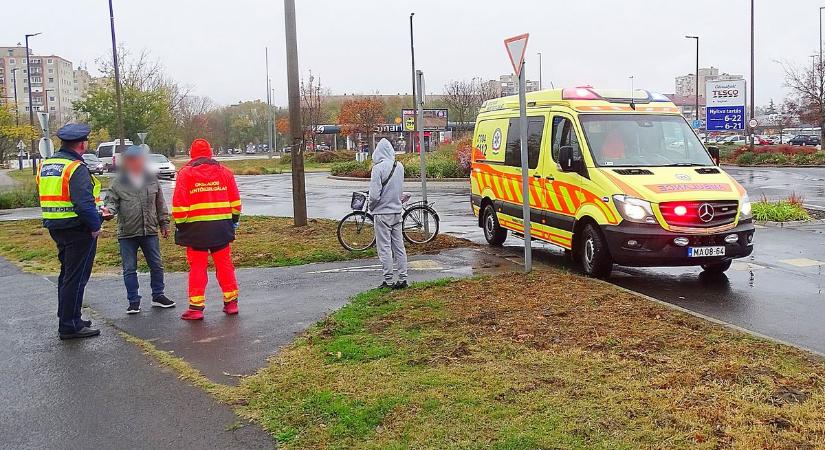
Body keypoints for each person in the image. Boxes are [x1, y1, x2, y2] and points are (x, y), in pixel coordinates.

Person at [37, 123, 103, 340]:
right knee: (76, 277)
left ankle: (70, 316)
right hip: (77, 229)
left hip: (56, 226)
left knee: (66, 275)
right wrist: (95, 225)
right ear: (82, 144)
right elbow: (83, 203)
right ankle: (70, 325)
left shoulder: (47, 164)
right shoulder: (75, 167)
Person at [172, 139, 242, 320]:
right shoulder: (225, 173)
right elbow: (235, 202)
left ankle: (196, 308)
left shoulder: (185, 174)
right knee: (225, 265)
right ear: (210, 152)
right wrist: (233, 221)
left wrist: (181, 225)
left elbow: (179, 206)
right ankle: (231, 303)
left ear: (191, 153)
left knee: (197, 267)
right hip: (221, 228)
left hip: (196, 230)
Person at [104, 146, 175, 314]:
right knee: (129, 269)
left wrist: (164, 223)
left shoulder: (152, 179)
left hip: (149, 230)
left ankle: (158, 295)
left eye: (140, 160)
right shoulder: (118, 183)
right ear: (127, 162)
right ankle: (133, 301)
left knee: (156, 265)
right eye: (132, 160)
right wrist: (107, 212)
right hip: (127, 233)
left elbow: (160, 204)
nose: (136, 163)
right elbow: (111, 203)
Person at [368, 138, 408, 289]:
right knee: (399, 246)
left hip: (382, 213)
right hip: (397, 212)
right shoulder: (399, 166)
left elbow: (374, 195)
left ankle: (388, 280)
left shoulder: (378, 169)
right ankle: (403, 278)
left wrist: (372, 207)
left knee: (384, 247)